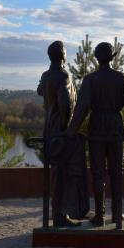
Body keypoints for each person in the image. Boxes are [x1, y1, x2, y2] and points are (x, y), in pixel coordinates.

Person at [67, 42, 124, 229]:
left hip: (96, 127)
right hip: (114, 126)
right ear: (112, 57)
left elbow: (82, 109)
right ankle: (117, 218)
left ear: (96, 57)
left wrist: (70, 131)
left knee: (98, 174)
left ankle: (100, 216)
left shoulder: (90, 79)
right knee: (116, 173)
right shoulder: (121, 78)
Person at [37, 41, 89, 227]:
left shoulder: (46, 75)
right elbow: (66, 104)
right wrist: (68, 130)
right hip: (61, 131)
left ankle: (59, 213)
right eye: (65, 52)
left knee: (55, 174)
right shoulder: (63, 75)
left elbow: (40, 91)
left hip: (49, 129)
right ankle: (60, 215)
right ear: (62, 56)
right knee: (64, 175)